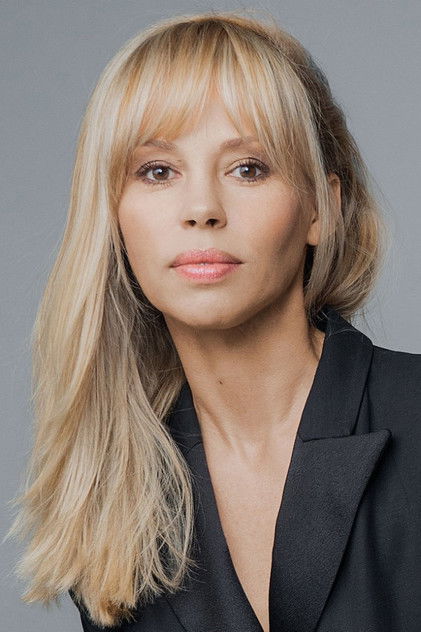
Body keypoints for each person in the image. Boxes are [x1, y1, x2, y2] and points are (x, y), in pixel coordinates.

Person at [6, 9, 421, 632]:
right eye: (158, 171)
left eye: (248, 168)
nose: (201, 208)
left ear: (321, 209)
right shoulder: (112, 497)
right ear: (112, 217)